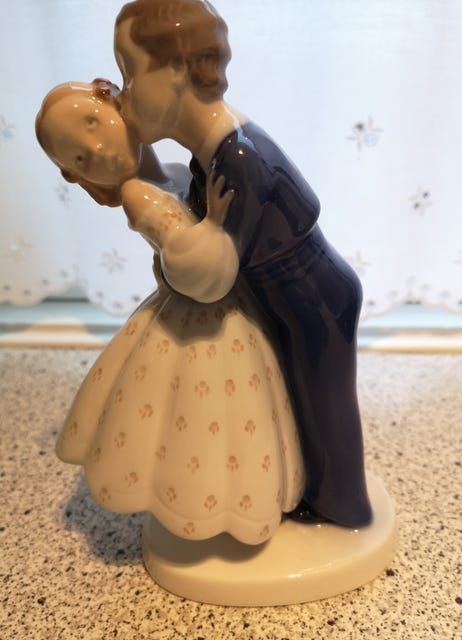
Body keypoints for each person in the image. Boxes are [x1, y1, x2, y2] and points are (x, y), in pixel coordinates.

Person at [113, 0, 373, 528]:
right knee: (298, 402)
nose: (124, 93)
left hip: (315, 302)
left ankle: (343, 506)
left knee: (324, 407)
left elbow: (212, 276)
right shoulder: (213, 151)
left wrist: (170, 235)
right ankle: (307, 489)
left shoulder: (238, 158)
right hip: (286, 298)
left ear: (176, 70)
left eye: (129, 73)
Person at [36, 80, 305, 545]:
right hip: (205, 312)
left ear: (111, 97)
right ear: (77, 177)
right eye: (79, 158)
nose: (96, 150)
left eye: (93, 123)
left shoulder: (174, 171)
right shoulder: (140, 196)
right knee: (205, 416)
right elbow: (197, 270)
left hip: (224, 302)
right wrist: (218, 223)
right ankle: (206, 504)